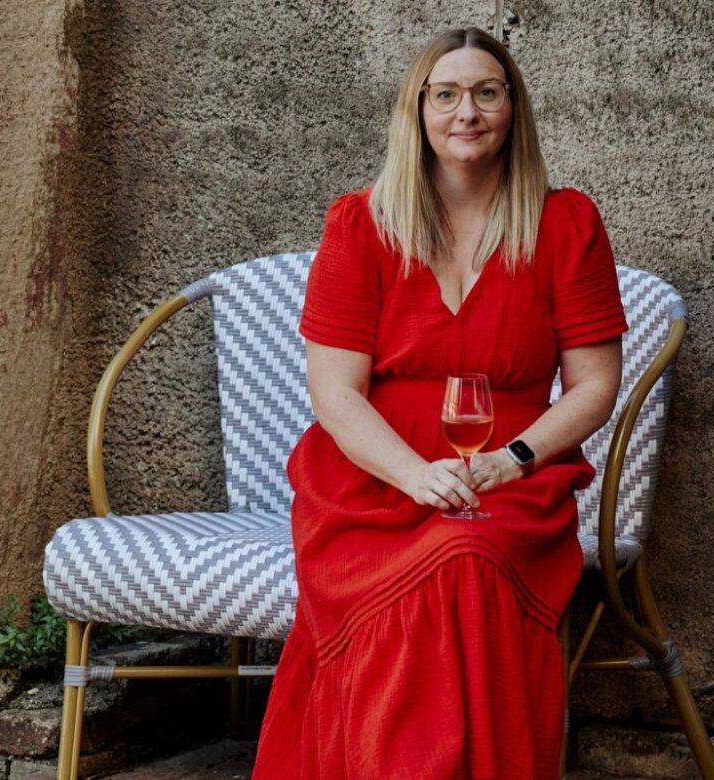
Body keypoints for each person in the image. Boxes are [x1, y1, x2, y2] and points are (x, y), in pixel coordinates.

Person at [252, 26, 627, 780]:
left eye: (487, 92)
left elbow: (595, 386)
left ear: (513, 108)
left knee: (466, 558)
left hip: (513, 478)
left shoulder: (566, 224)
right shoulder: (360, 226)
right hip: (372, 481)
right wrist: (414, 475)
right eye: (447, 94)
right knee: (423, 579)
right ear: (417, 110)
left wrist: (512, 459)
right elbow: (335, 394)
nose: (468, 112)